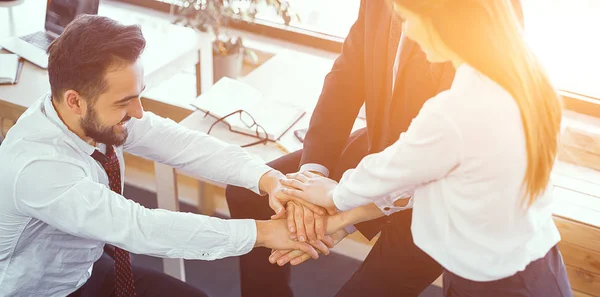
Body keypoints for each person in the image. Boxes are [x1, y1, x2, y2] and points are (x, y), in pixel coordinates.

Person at [0, 15, 321, 297]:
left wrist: (268, 178)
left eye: (138, 95)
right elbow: (141, 228)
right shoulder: (38, 167)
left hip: (83, 267)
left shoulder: (92, 115)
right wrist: (264, 233)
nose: (138, 112)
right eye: (125, 102)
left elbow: (183, 144)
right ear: (75, 101)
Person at [277, 0, 572, 296]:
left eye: (407, 20)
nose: (407, 34)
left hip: (503, 280)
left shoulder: (454, 112)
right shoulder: (527, 79)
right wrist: (341, 216)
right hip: (506, 264)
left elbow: (401, 169)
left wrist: (334, 196)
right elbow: (427, 175)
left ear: (444, 23)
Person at [224, 0, 471, 296]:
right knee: (248, 193)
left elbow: (434, 162)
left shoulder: (473, 20)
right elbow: (347, 77)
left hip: (443, 195)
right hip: (382, 148)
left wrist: (340, 212)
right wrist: (310, 178)